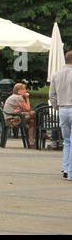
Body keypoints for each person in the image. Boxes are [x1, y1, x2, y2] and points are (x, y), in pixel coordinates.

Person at [49, 49, 72, 180]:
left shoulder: (56, 74)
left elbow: (52, 95)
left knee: (67, 141)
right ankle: (70, 172)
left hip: (62, 109)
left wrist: (57, 107)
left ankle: (65, 167)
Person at [3, 82, 37, 148]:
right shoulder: (18, 98)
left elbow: (22, 110)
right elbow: (28, 109)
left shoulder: (14, 97)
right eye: (24, 89)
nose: (26, 91)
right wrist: (27, 98)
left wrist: (26, 112)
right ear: (19, 91)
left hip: (9, 119)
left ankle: (31, 142)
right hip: (12, 121)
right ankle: (32, 141)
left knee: (31, 120)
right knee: (33, 116)